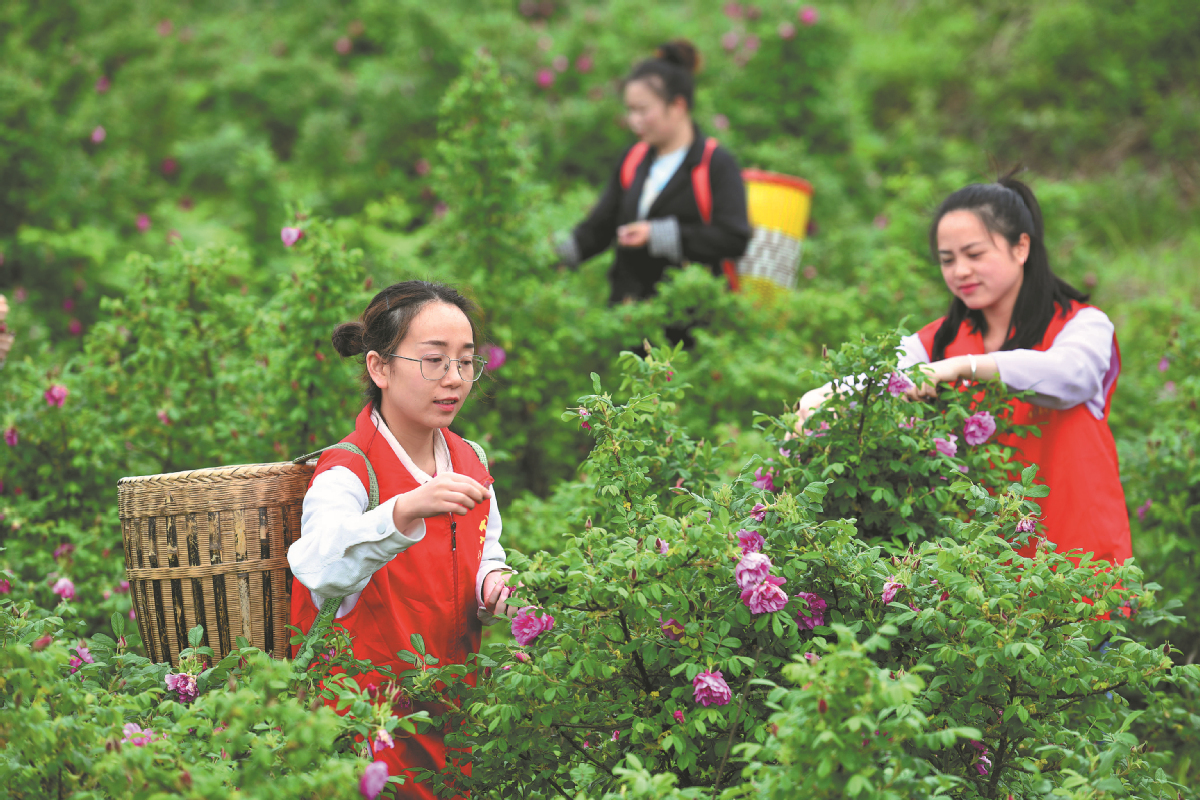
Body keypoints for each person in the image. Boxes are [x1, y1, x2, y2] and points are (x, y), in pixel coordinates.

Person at [796, 175, 1131, 569]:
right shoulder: (939, 340)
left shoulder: (1084, 326)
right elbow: (874, 378)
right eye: (948, 259)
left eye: (974, 254)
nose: (960, 271)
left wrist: (964, 367)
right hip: (984, 579)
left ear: (1021, 247)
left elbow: (1072, 377)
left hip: (1081, 563)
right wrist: (820, 399)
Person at [288, 280, 515, 799]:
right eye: (433, 361)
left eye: (465, 361)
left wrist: (494, 583)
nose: (454, 379)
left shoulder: (469, 459)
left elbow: (486, 549)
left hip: (450, 705)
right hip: (366, 717)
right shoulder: (349, 469)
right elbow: (319, 566)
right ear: (379, 368)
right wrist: (403, 509)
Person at [556, 40, 751, 306]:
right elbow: (599, 228)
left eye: (642, 110)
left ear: (678, 106)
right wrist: (553, 255)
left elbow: (734, 237)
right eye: (630, 110)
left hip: (691, 324)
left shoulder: (715, 164)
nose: (633, 120)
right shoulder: (633, 159)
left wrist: (659, 235)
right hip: (627, 318)